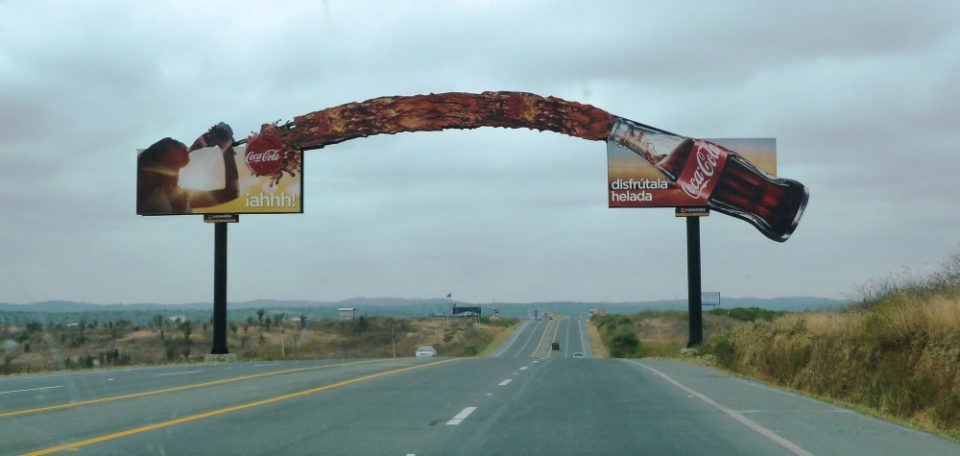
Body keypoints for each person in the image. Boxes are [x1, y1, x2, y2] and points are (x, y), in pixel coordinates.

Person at [137, 123, 239, 214]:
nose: (183, 146)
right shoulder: (157, 197)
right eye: (174, 144)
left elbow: (231, 193)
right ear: (162, 158)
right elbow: (231, 194)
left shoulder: (177, 193)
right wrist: (226, 149)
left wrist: (226, 147)